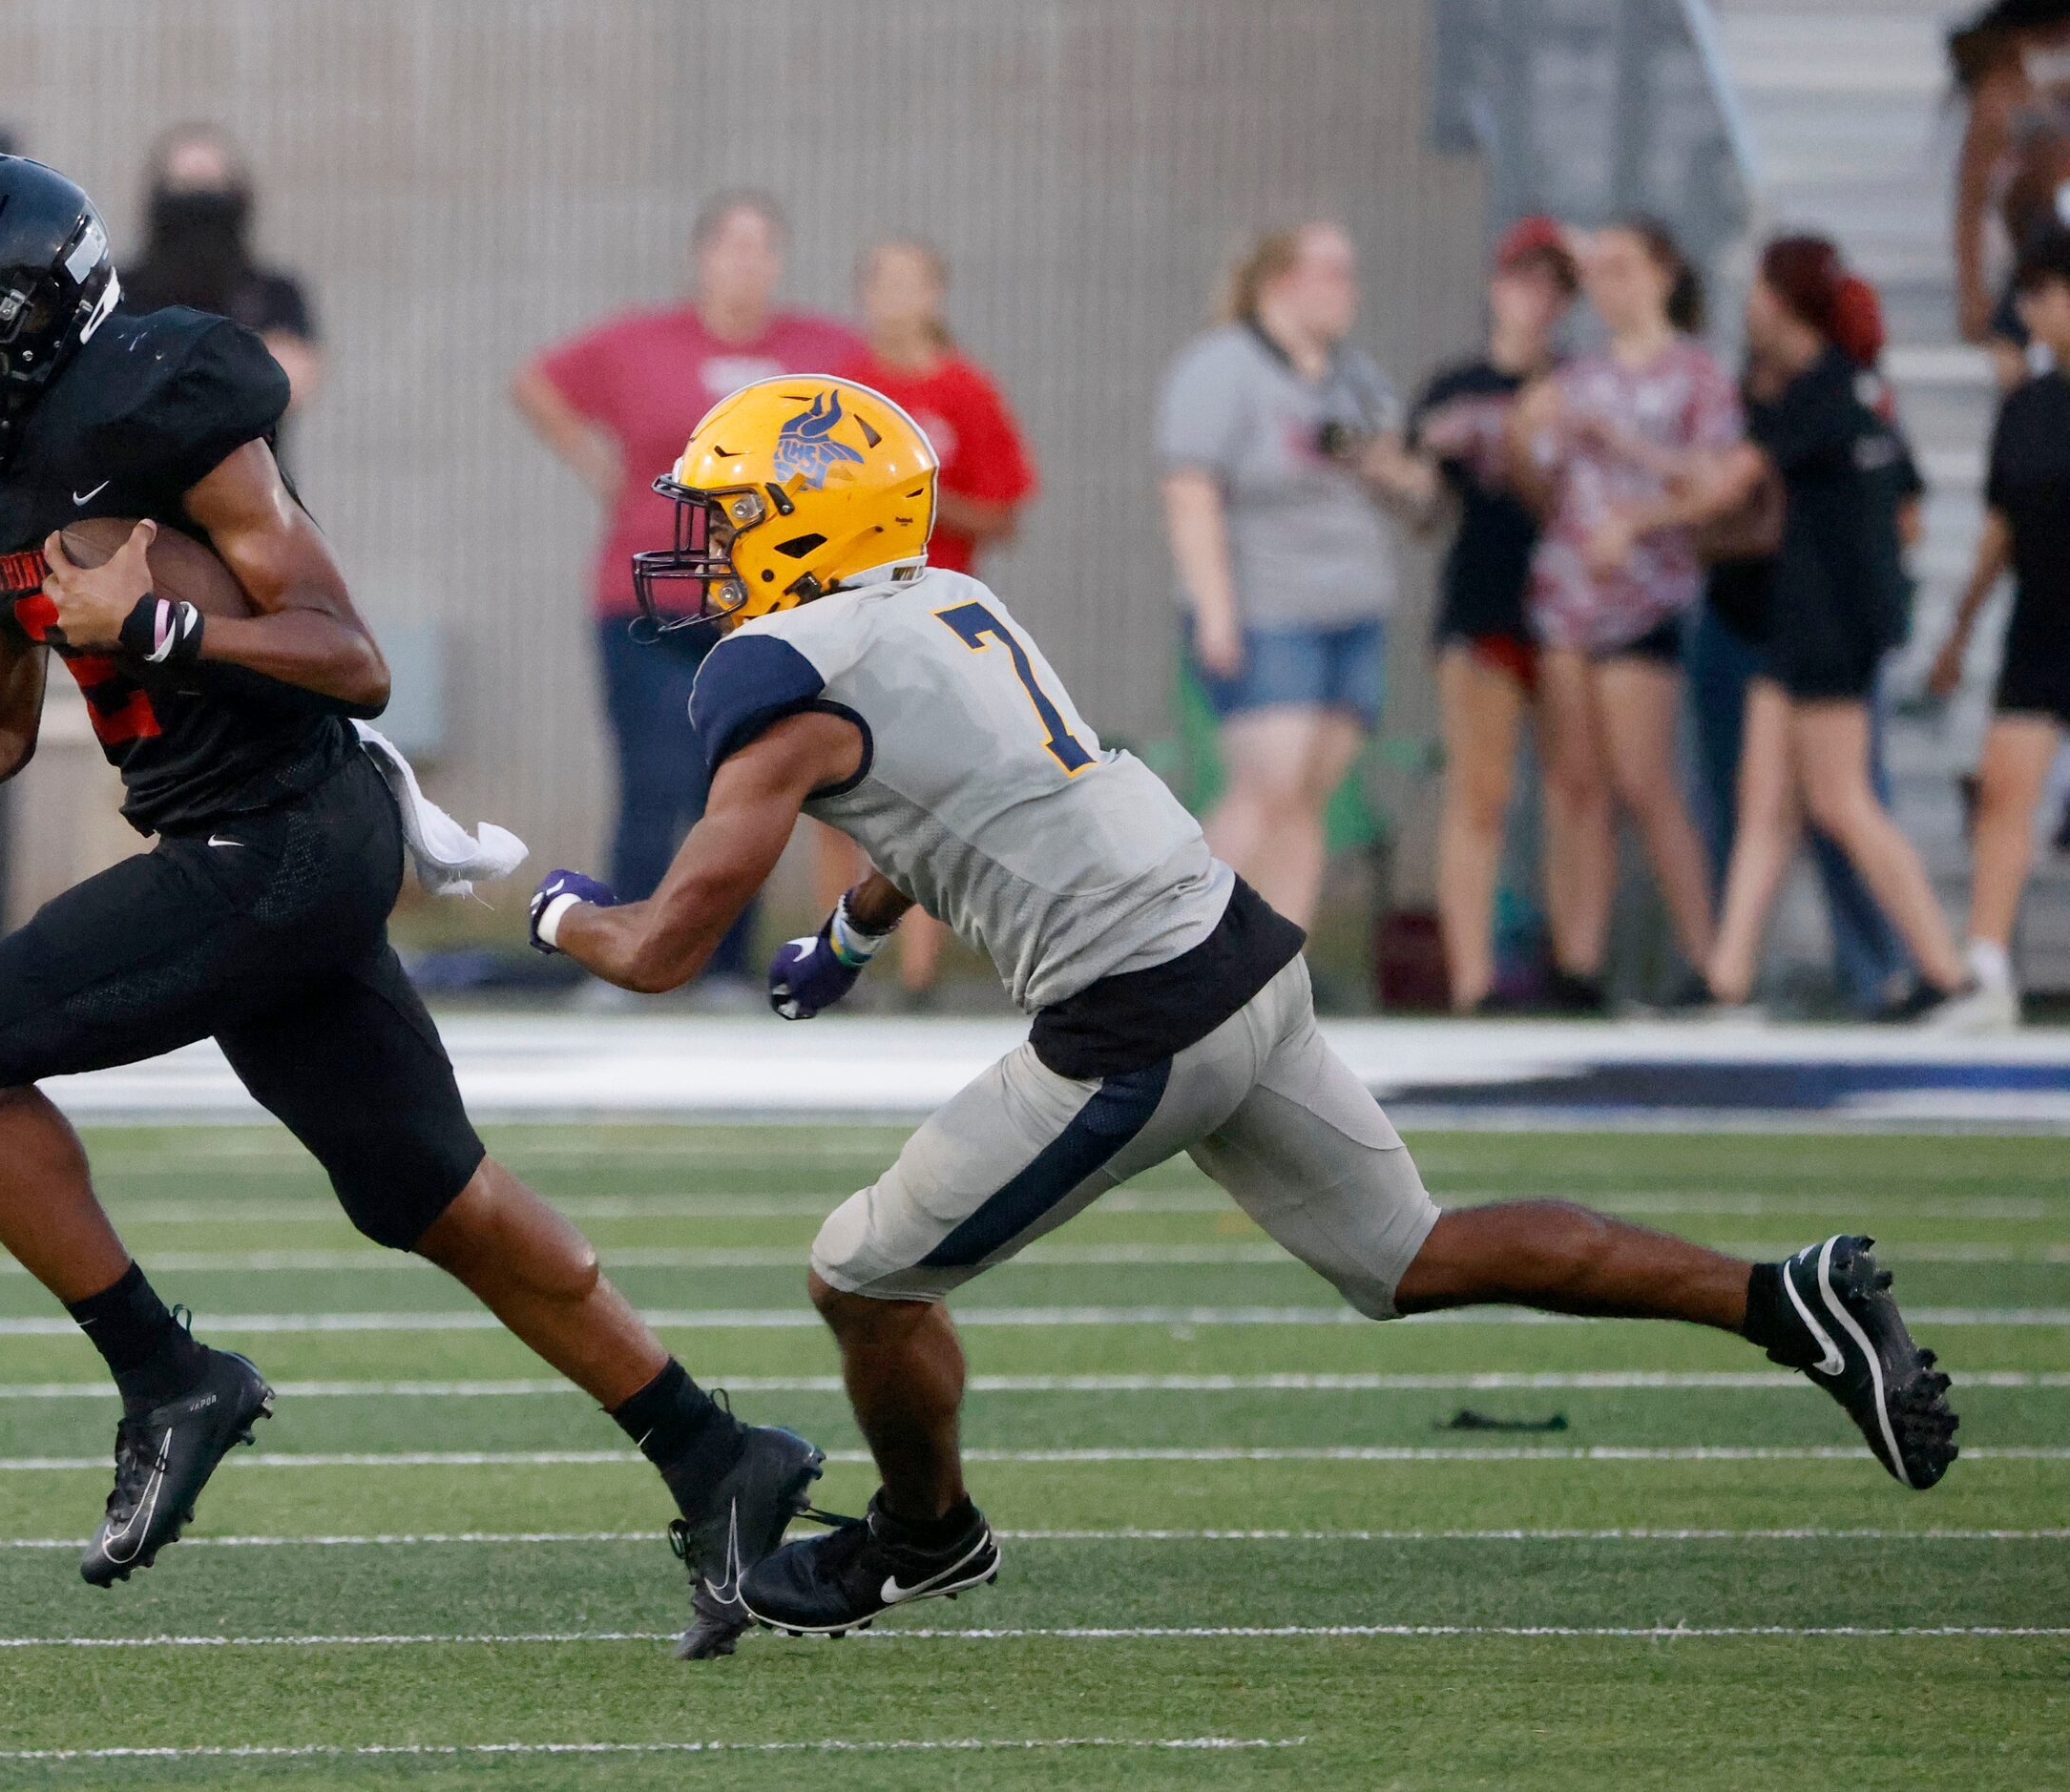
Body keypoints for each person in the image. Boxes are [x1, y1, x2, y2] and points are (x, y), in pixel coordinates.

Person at [529, 376, 1956, 1636]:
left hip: (1135, 1017)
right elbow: (962, 789)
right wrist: (848, 928)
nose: (697, 550)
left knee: (859, 1276)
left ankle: (922, 1537)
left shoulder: (779, 675)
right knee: (1410, 1252)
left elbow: (659, 947)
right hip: (1237, 945)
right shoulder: (946, 601)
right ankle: (1789, 1300)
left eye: (723, 516)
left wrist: (536, 903)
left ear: (807, 521)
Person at [0, 155, 821, 1659]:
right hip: (254, 842)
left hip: (280, 830)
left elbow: (350, 654)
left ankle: (167, 1373)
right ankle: (715, 1453)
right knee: (435, 1199)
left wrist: (153, 621)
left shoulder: (158, 409)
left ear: (30, 321)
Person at [515, 194, 860, 993]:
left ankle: (724, 965)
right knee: (653, 772)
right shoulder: (642, 341)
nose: (746, 263)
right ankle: (617, 958)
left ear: (779, 262)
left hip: (764, 604)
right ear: (700, 257)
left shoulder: (820, 351)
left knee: (741, 785)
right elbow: (538, 383)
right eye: (731, 246)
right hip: (649, 597)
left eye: (762, 247)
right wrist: (598, 467)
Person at [1697, 238, 1976, 1020]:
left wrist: (1641, 513)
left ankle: (1948, 973)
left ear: (1781, 301)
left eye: (1759, 289)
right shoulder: (1861, 389)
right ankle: (1727, 978)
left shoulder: (1820, 389)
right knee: (1764, 802)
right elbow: (1908, 509)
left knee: (1842, 801)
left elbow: (1734, 486)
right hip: (1806, 616)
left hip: (1826, 623)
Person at [1159, 222, 1412, 927]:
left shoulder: (1353, 375)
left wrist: (1392, 466)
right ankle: (1161, 952)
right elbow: (1190, 493)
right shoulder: (1222, 367)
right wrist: (1216, 613)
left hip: (1351, 607)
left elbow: (1409, 483)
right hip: (1268, 609)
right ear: (1280, 282)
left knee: (1307, 800)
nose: (1347, 290)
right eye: (1331, 272)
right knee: (1266, 786)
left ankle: (1275, 969)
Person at [1507, 219, 1730, 1010]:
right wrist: (1523, 433)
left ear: (1664, 273)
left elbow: (1714, 485)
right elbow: (1543, 486)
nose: (1609, 285)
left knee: (1645, 781)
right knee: (1577, 784)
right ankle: (1580, 959)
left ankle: (1714, 962)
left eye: (1624, 268)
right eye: (1598, 271)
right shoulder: (1579, 377)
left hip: (1644, 600)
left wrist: (1636, 519)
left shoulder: (1695, 375)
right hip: (1569, 598)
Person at [815, 239, 1039, 1004]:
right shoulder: (840, 390)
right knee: (832, 785)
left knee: (924, 791)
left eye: (914, 283)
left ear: (937, 294)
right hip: (844, 608)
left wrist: (919, 503)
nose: (898, 297)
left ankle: (918, 969)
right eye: (884, 282)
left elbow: (1005, 507)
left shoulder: (967, 391)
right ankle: (831, 960)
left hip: (933, 612)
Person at [1392, 218, 1579, 1011]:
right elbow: (1424, 508)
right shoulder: (1455, 387)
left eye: (1551, 286)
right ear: (1496, 288)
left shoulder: (1577, 385)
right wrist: (1409, 468)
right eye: (1522, 281)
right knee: (1482, 793)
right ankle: (1471, 977)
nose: (1534, 300)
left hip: (1571, 612)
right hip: (1484, 603)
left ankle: (1578, 960)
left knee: (1576, 789)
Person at [1929, 227, 2070, 1030]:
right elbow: (2000, 530)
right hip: (2044, 622)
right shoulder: (2030, 407)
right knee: (2005, 793)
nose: (2031, 312)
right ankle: (1986, 970)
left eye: (2044, 295)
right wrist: (1958, 631)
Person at [122, 124, 323, 469]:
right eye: (185, 187)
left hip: (253, 499)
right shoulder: (120, 287)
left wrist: (165, 366)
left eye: (212, 186)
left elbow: (295, 377)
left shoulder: (273, 291)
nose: (200, 204)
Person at [1951, 0, 2070, 388]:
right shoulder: (1997, 102)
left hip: (2038, 255)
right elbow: (1969, 208)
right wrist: (1971, 294)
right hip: (2014, 267)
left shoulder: (2035, 90)